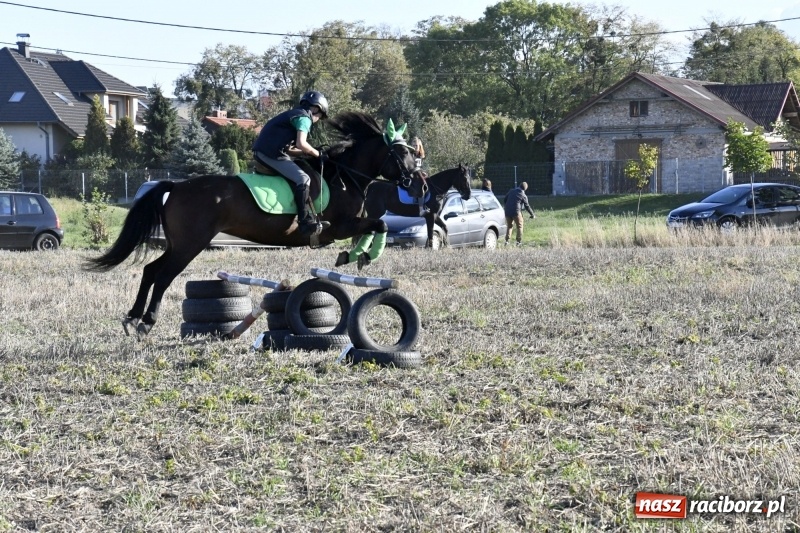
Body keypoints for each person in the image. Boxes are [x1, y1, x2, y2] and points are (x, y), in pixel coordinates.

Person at [252, 91, 330, 235]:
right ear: (316, 109)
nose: (318, 119)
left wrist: (308, 152)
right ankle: (304, 222)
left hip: (268, 151)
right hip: (270, 154)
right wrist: (317, 154)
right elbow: (301, 143)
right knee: (303, 178)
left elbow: (291, 149)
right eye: (320, 116)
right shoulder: (304, 117)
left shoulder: (294, 114)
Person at [504, 182, 535, 246]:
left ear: (519, 186)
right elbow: (527, 206)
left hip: (507, 211)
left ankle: (507, 241)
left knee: (509, 226)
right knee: (520, 226)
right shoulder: (523, 195)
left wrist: (508, 206)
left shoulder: (511, 191)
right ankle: (518, 242)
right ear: (525, 189)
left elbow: (505, 199)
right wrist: (532, 214)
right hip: (516, 212)